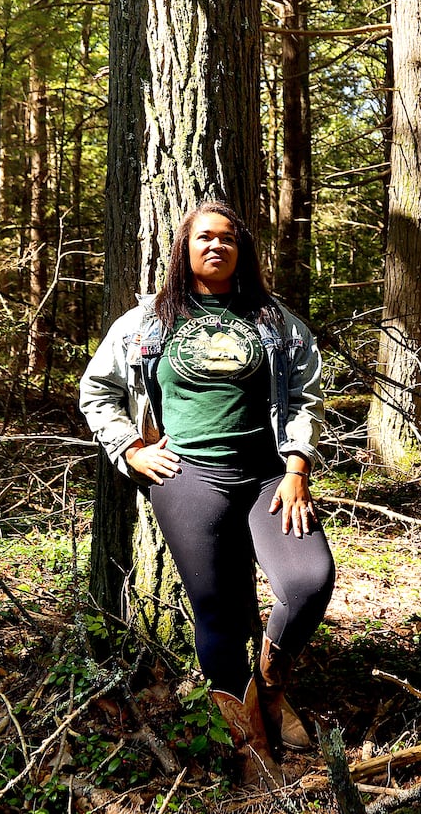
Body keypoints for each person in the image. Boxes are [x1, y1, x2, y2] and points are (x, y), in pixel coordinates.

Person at [79, 200, 334, 789]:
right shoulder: (147, 322)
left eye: (227, 238)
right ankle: (247, 739)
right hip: (187, 477)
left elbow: (304, 397)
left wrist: (296, 466)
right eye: (204, 239)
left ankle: (269, 690)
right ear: (185, 250)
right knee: (218, 609)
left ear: (241, 250)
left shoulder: (273, 321)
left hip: (269, 477)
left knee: (308, 580)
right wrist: (129, 449)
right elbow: (98, 390)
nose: (216, 246)